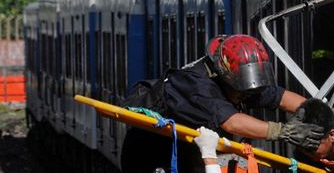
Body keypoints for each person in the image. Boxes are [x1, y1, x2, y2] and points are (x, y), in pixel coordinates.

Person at [126, 34, 323, 148]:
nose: (246, 96)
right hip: (151, 150)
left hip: (186, 148)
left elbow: (278, 96)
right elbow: (232, 123)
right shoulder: (197, 86)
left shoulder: (236, 81)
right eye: (241, 91)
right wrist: (283, 131)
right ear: (223, 75)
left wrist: (320, 112)